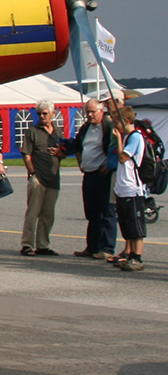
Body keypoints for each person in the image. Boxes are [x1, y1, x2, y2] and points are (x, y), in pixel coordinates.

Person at [59, 98, 117, 259]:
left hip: (103, 175)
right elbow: (77, 146)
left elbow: (116, 147)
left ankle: (107, 248)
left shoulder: (108, 127)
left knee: (107, 212)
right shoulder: (85, 128)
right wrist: (80, 162)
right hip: (89, 174)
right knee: (92, 213)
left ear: (101, 111)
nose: (90, 115)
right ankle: (92, 247)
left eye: (93, 112)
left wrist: (109, 165)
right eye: (88, 112)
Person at [20, 99, 62, 256]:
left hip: (53, 178)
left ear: (53, 113)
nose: (42, 116)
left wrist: (60, 153)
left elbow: (63, 152)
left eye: (45, 113)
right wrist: (32, 173)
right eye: (39, 114)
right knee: (33, 213)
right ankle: (27, 244)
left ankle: (43, 244)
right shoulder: (33, 131)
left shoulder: (58, 132)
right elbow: (26, 155)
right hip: (38, 178)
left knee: (48, 214)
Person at [112, 106, 148, 272]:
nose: (115, 127)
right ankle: (130, 254)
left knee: (135, 225)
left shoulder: (135, 138)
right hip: (122, 188)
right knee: (126, 225)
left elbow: (123, 157)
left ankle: (137, 257)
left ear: (125, 121)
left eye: (117, 123)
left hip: (133, 188)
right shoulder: (128, 138)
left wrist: (119, 139)